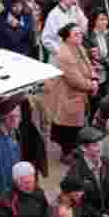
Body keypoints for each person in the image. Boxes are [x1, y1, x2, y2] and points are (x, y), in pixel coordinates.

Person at [43, 23, 98, 162]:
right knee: (68, 128)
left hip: (80, 94)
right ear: (67, 38)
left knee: (76, 125)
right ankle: (66, 154)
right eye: (76, 34)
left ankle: (73, 150)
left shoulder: (78, 47)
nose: (80, 36)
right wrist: (91, 85)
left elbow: (88, 64)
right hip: (69, 96)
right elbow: (74, 80)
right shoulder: (64, 54)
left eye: (80, 33)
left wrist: (94, 77)